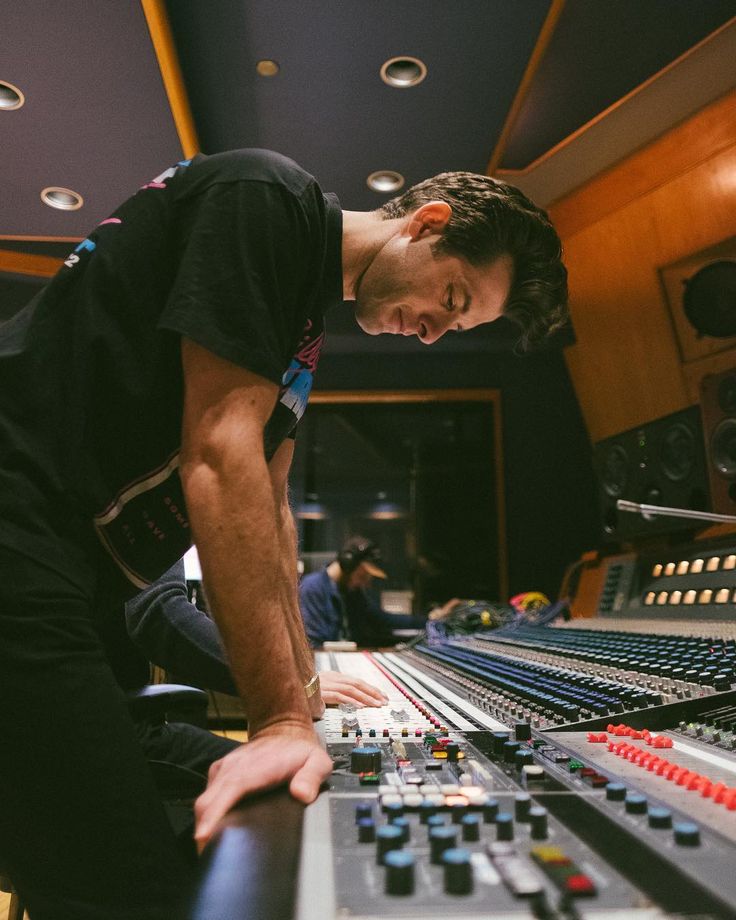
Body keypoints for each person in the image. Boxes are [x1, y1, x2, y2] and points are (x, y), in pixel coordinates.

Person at [0, 148, 567, 919]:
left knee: (275, 806)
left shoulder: (300, 322)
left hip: (68, 579)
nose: (436, 333)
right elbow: (221, 452)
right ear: (426, 224)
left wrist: (301, 691)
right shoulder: (265, 195)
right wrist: (278, 721)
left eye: (458, 324)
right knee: (129, 889)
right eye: (453, 296)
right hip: (18, 532)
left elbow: (269, 507)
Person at [300, 535, 458, 646]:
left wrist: (430, 618)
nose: (365, 583)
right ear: (348, 564)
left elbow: (383, 619)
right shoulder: (312, 587)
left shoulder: (353, 593)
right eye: (363, 575)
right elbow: (315, 645)